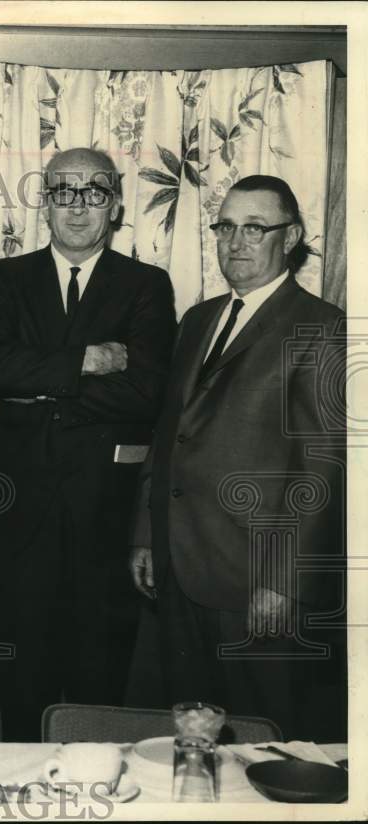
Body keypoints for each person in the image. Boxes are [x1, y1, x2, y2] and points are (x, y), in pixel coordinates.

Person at [129, 175, 346, 741]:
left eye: (255, 228)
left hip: (256, 581)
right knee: (189, 737)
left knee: (265, 742)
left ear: (291, 237)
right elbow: (168, 431)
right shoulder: (198, 320)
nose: (236, 242)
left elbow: (323, 467)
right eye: (226, 227)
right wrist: (146, 536)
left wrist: (284, 580)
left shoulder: (322, 327)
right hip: (180, 568)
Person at [0, 148, 177, 742]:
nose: (79, 206)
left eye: (94, 192)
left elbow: (145, 392)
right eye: (65, 191)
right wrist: (87, 361)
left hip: (106, 511)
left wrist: (38, 389)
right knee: (24, 679)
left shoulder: (145, 284)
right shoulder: (5, 278)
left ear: (115, 204)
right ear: (45, 202)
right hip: (20, 509)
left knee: (98, 679)